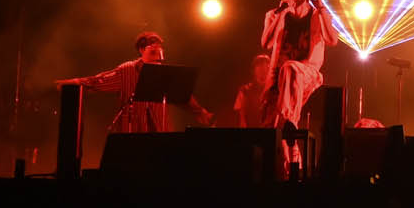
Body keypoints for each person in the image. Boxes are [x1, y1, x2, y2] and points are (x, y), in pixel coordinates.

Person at [58, 33, 211, 134]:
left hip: (160, 133)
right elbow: (99, 81)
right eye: (152, 46)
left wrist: (200, 111)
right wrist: (74, 82)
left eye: (159, 47)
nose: (157, 49)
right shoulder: (127, 70)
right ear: (141, 49)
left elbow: (182, 95)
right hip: (133, 133)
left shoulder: (164, 72)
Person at [259, 0, 337, 163]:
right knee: (273, 131)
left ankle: (289, 122)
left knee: (290, 68)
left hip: (307, 74)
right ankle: (292, 167)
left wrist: (321, 8)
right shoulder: (274, 15)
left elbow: (332, 40)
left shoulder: (318, 16)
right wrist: (279, 15)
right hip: (279, 80)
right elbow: (266, 43)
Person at [232, 54, 270, 128]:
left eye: (266, 66)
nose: (263, 69)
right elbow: (239, 111)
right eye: (260, 65)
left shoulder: (273, 91)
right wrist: (242, 121)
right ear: (254, 70)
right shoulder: (245, 90)